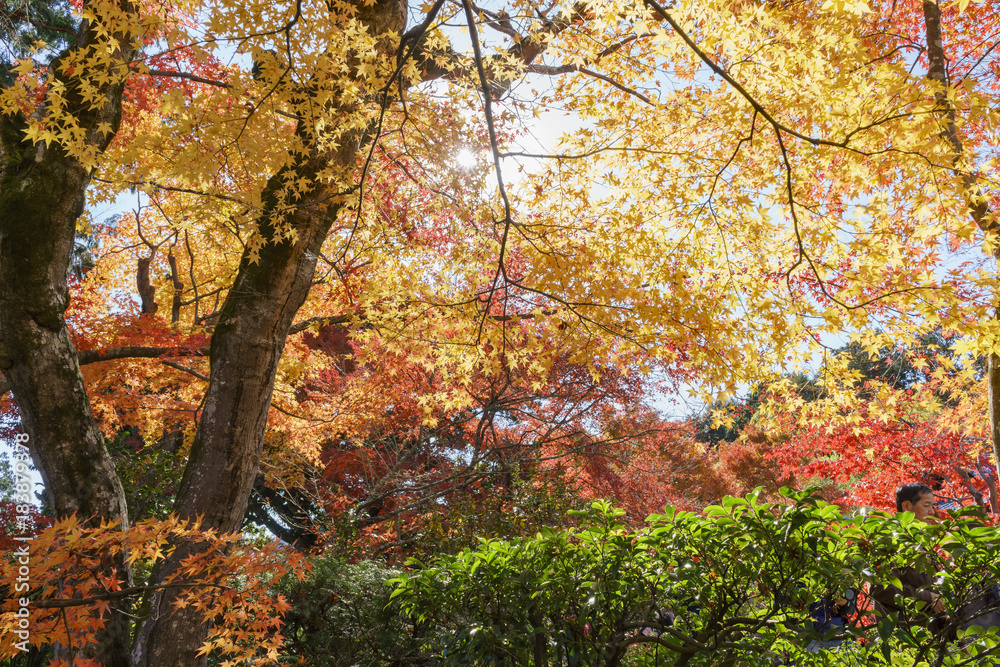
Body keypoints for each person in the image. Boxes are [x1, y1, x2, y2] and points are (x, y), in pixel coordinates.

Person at [870, 483, 947, 632]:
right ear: (906, 506)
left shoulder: (923, 542)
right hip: (905, 638)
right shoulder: (887, 540)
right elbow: (880, 587)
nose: (932, 512)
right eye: (926, 506)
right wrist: (927, 597)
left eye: (933, 506)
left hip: (933, 636)